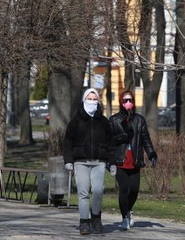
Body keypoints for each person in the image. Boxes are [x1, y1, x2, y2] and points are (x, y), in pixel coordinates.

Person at [63, 88, 113, 235]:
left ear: (98, 101)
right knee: (83, 192)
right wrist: (68, 160)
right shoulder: (76, 121)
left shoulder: (103, 121)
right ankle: (84, 221)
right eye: (89, 99)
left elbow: (111, 142)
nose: (92, 101)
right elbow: (68, 141)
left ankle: (96, 217)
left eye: (94, 99)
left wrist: (112, 162)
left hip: (99, 162)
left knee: (98, 190)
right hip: (81, 161)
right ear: (84, 100)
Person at [109, 90, 157, 230]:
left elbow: (145, 139)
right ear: (121, 102)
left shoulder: (139, 120)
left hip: (135, 160)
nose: (128, 103)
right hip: (120, 160)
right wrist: (121, 138)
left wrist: (151, 153)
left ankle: (129, 209)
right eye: (125, 100)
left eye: (130, 100)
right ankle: (124, 217)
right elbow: (109, 141)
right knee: (124, 189)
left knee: (134, 190)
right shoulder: (114, 120)